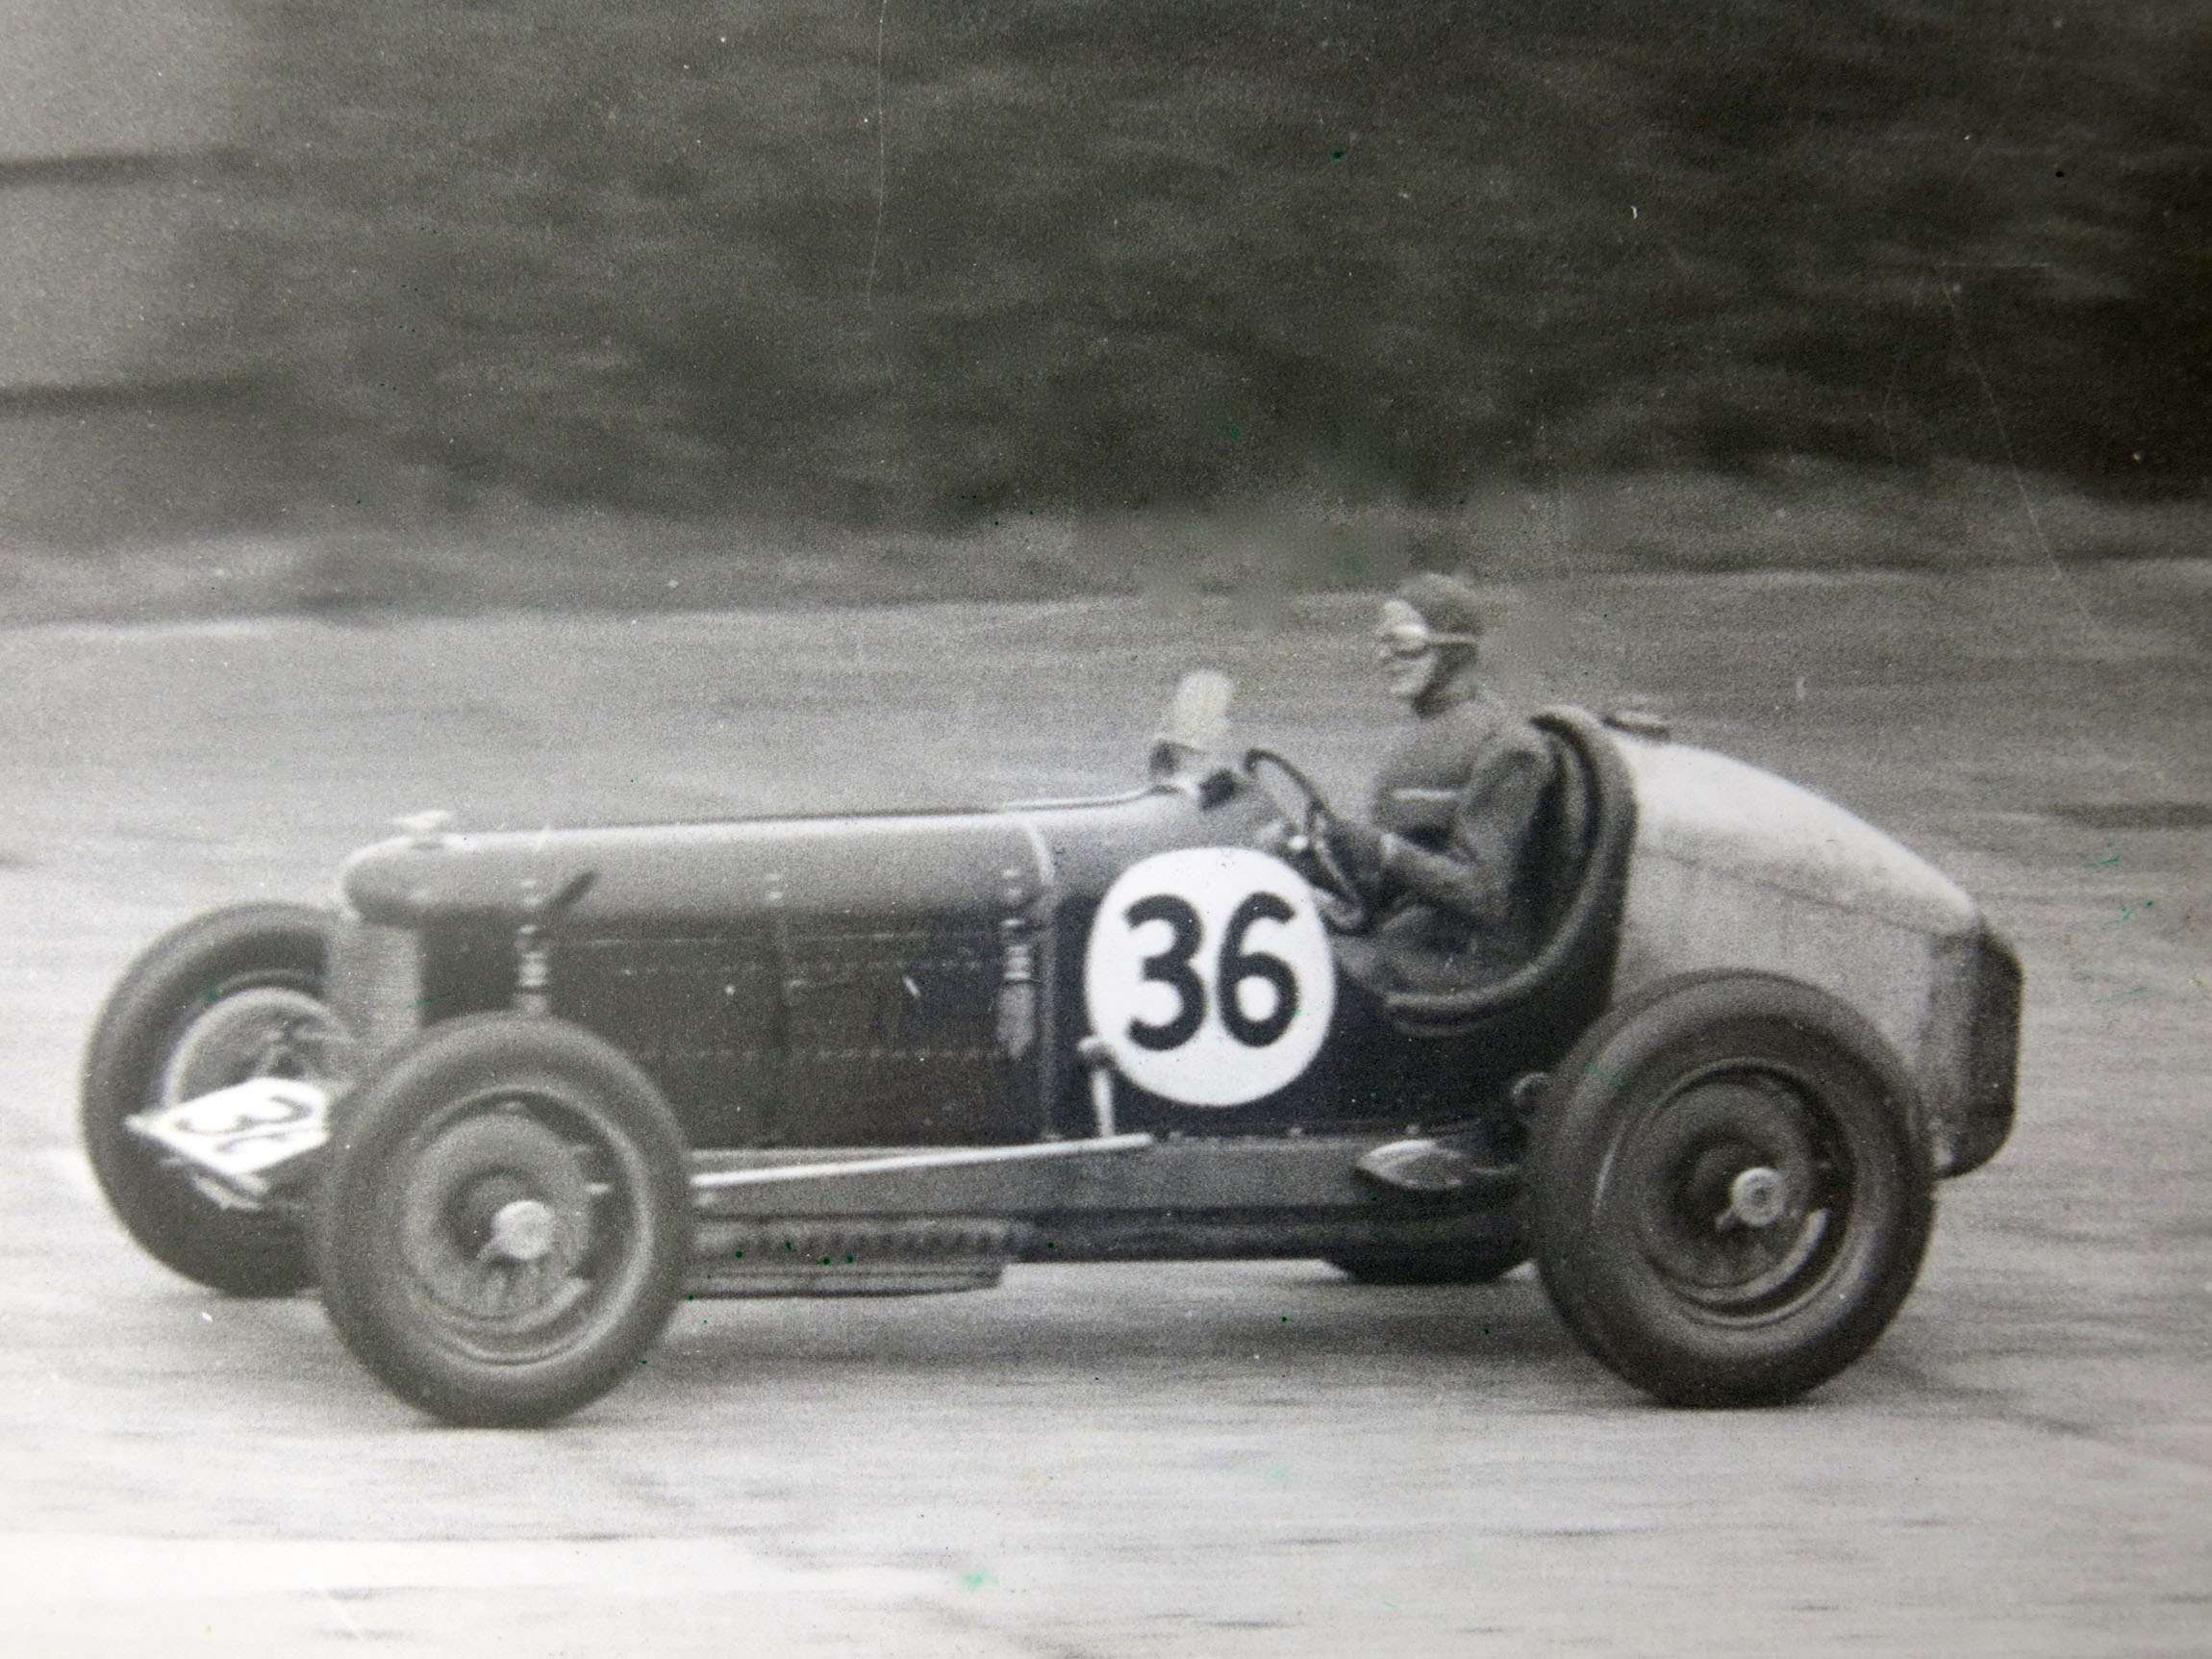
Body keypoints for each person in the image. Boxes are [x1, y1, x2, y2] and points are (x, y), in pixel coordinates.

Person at [1320, 572, 1557, 995]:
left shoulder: (1507, 746)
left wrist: (1384, 851)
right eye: (1380, 641)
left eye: (1405, 640)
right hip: (1405, 938)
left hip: (1464, 963)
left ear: (1455, 648)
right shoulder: (1423, 731)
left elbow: (1484, 893)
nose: (1385, 656)